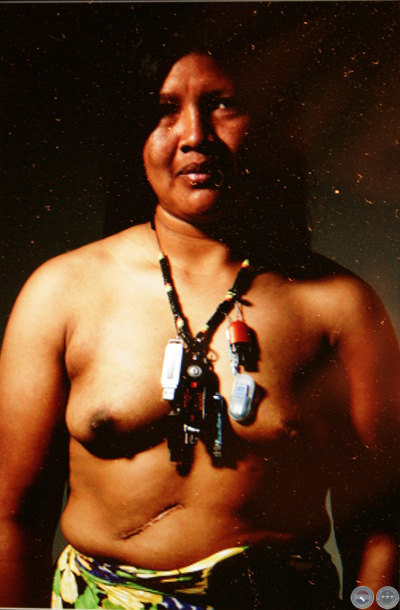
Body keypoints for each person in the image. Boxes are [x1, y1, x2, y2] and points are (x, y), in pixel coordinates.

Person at [0, 23, 399, 610]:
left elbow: (385, 525)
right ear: (133, 132)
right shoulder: (60, 293)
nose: (194, 136)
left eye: (222, 104)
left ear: (267, 121)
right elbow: (13, 519)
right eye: (164, 110)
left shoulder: (341, 306)